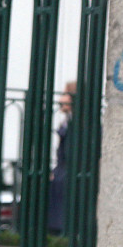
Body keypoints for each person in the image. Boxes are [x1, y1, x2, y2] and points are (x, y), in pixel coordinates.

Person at [47, 80, 76, 236]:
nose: (61, 99)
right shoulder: (69, 122)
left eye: (65, 94)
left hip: (67, 181)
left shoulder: (77, 125)